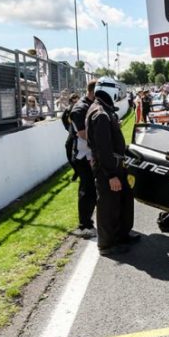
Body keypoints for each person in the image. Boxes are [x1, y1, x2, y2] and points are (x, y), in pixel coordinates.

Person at [86, 82, 135, 255]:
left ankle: (121, 235)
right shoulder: (100, 113)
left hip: (115, 165)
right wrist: (110, 175)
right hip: (108, 168)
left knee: (121, 201)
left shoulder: (103, 110)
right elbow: (102, 148)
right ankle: (106, 244)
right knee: (108, 206)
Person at [69, 81, 98, 235]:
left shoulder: (90, 104)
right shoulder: (80, 108)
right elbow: (82, 134)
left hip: (89, 153)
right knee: (87, 190)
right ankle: (85, 226)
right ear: (93, 92)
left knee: (91, 189)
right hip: (82, 155)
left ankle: (88, 222)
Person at [61, 93, 81, 181]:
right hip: (72, 133)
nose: (75, 99)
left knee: (79, 153)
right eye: (73, 98)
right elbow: (63, 118)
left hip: (81, 133)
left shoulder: (81, 107)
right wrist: (68, 128)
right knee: (68, 148)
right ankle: (76, 171)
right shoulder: (68, 109)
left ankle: (81, 171)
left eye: (76, 98)